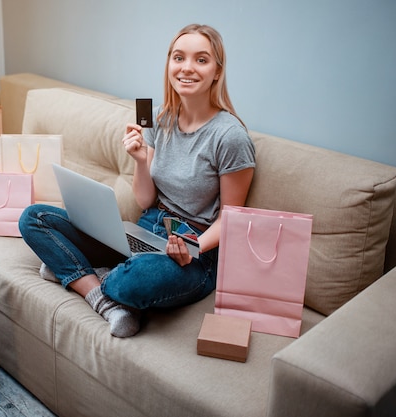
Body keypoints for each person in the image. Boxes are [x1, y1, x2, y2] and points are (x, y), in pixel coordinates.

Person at [19, 23, 255, 338]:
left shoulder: (230, 137)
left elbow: (232, 218)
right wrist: (142, 161)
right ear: (169, 64)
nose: (187, 67)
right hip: (147, 228)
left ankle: (79, 274)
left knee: (136, 279)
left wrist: (191, 245)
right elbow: (145, 201)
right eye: (178, 57)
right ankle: (104, 297)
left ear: (216, 71)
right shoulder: (161, 119)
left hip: (193, 251)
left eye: (201, 59)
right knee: (34, 218)